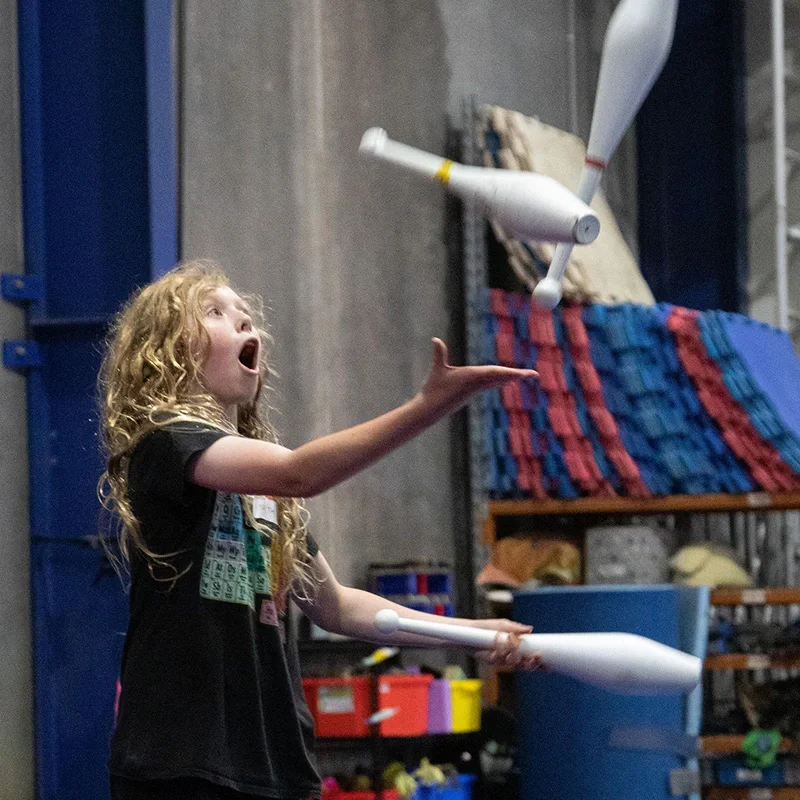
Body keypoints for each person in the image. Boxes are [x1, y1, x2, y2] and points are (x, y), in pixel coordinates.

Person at [99, 260, 542, 800]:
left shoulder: (261, 493)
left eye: (245, 315)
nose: (244, 323)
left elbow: (339, 608)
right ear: (167, 351)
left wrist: (473, 634)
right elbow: (300, 472)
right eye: (215, 313)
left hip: (276, 765)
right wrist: (425, 408)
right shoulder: (165, 443)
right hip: (182, 763)